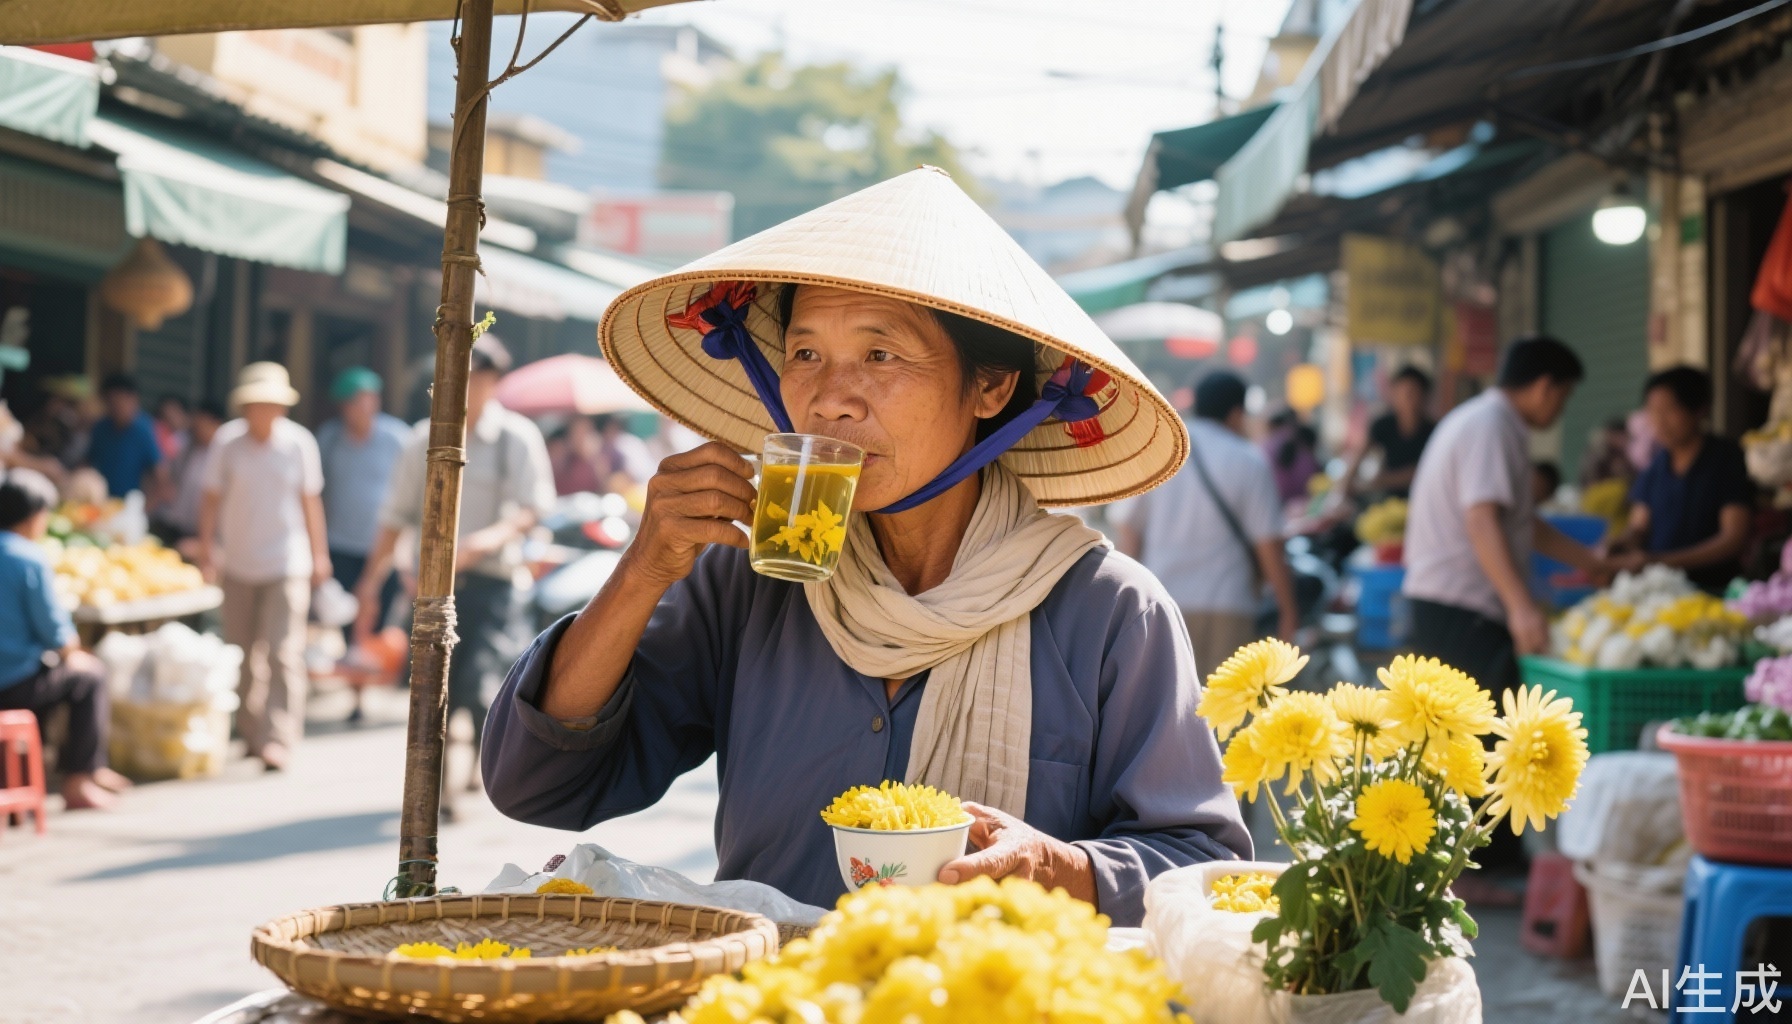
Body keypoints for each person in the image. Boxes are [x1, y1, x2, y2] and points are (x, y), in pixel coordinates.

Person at [479, 169, 1250, 925]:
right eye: (806, 353)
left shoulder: (1107, 611)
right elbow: (538, 784)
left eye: (881, 356)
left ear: (989, 390)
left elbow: (1204, 868)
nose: (829, 398)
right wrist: (643, 569)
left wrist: (1063, 869)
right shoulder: (743, 582)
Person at [355, 335, 554, 808]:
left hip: (493, 584)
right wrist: (370, 581)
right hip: (433, 585)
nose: (468, 387)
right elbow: (395, 515)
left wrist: (485, 541)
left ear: (494, 382)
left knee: (482, 689)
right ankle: (437, 789)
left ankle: (484, 775)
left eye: (478, 378)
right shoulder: (422, 438)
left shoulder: (516, 438)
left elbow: (533, 507)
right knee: (430, 696)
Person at [1404, 337, 1611, 698]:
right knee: (1477, 743)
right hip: (1462, 610)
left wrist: (1591, 563)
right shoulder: (1491, 425)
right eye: (1564, 397)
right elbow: (1482, 520)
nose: (1561, 410)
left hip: (1449, 607)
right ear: (1545, 387)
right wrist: (1521, 609)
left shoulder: (1482, 419)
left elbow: (1522, 523)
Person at [1113, 371, 1300, 678]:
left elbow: (1129, 530)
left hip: (1160, 600)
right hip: (1226, 603)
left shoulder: (1161, 451)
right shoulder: (1248, 460)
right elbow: (1269, 545)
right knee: (1224, 716)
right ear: (1237, 413)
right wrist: (1289, 612)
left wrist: (1123, 603)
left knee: (1166, 711)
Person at [197, 364, 329, 772]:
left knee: (283, 652)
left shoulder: (298, 444)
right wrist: (207, 549)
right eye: (259, 404)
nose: (266, 411)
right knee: (241, 651)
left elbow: (311, 502)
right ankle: (251, 733)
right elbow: (211, 499)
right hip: (238, 562)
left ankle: (279, 738)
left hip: (287, 561)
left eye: (273, 405)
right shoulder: (227, 443)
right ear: (247, 406)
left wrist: (319, 554)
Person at [0, 468, 132, 809]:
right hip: (13, 681)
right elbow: (57, 634)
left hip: (15, 678)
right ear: (34, 516)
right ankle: (79, 780)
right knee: (88, 676)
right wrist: (72, 650)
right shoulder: (27, 557)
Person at [1611, 366, 1755, 592]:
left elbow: (1733, 538)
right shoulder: (1655, 466)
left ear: (1699, 410)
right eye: (1652, 411)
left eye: (1670, 410)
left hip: (1715, 589)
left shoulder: (1726, 459)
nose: (1659, 422)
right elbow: (1639, 527)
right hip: (1661, 589)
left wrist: (1661, 561)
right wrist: (1620, 544)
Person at [314, 367, 409, 630]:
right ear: (343, 406)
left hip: (383, 544)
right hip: (341, 543)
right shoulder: (329, 439)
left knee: (380, 616)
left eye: (370, 398)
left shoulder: (398, 438)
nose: (364, 407)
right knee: (345, 616)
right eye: (356, 401)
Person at [1337, 365, 1435, 501]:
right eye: (1403, 393)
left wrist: (1382, 480)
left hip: (1422, 499)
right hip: (1387, 501)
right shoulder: (1383, 425)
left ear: (1424, 395)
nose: (1408, 399)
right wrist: (1345, 485)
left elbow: (1422, 472)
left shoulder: (1434, 432)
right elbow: (1358, 456)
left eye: (1413, 393)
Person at [151, 399, 224, 551]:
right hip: (174, 525)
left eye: (202, 424)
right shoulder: (184, 444)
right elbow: (164, 467)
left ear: (215, 425)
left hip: (202, 534)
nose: (197, 429)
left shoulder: (223, 456)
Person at [84, 373, 165, 499]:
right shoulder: (101, 428)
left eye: (118, 402)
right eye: (110, 403)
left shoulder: (145, 430)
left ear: (133, 399)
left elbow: (161, 477)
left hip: (131, 506)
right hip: (102, 503)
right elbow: (87, 463)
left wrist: (143, 510)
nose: (115, 408)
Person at [1263, 409, 1320, 507]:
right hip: (1305, 505)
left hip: (1279, 507)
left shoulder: (1266, 447)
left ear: (1272, 426)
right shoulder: (1303, 444)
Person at [550, 416, 607, 496]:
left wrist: (592, 457)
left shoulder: (596, 455)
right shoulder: (560, 451)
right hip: (564, 502)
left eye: (585, 431)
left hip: (590, 500)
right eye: (578, 431)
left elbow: (604, 483)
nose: (581, 435)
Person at [1579, 417, 1635, 488]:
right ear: (1611, 434)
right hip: (1595, 491)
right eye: (1621, 436)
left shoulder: (1621, 451)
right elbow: (1591, 478)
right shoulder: (1598, 451)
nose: (1623, 440)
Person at [153, 395, 189, 462]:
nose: (171, 417)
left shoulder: (191, 438)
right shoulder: (156, 434)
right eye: (165, 415)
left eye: (175, 412)